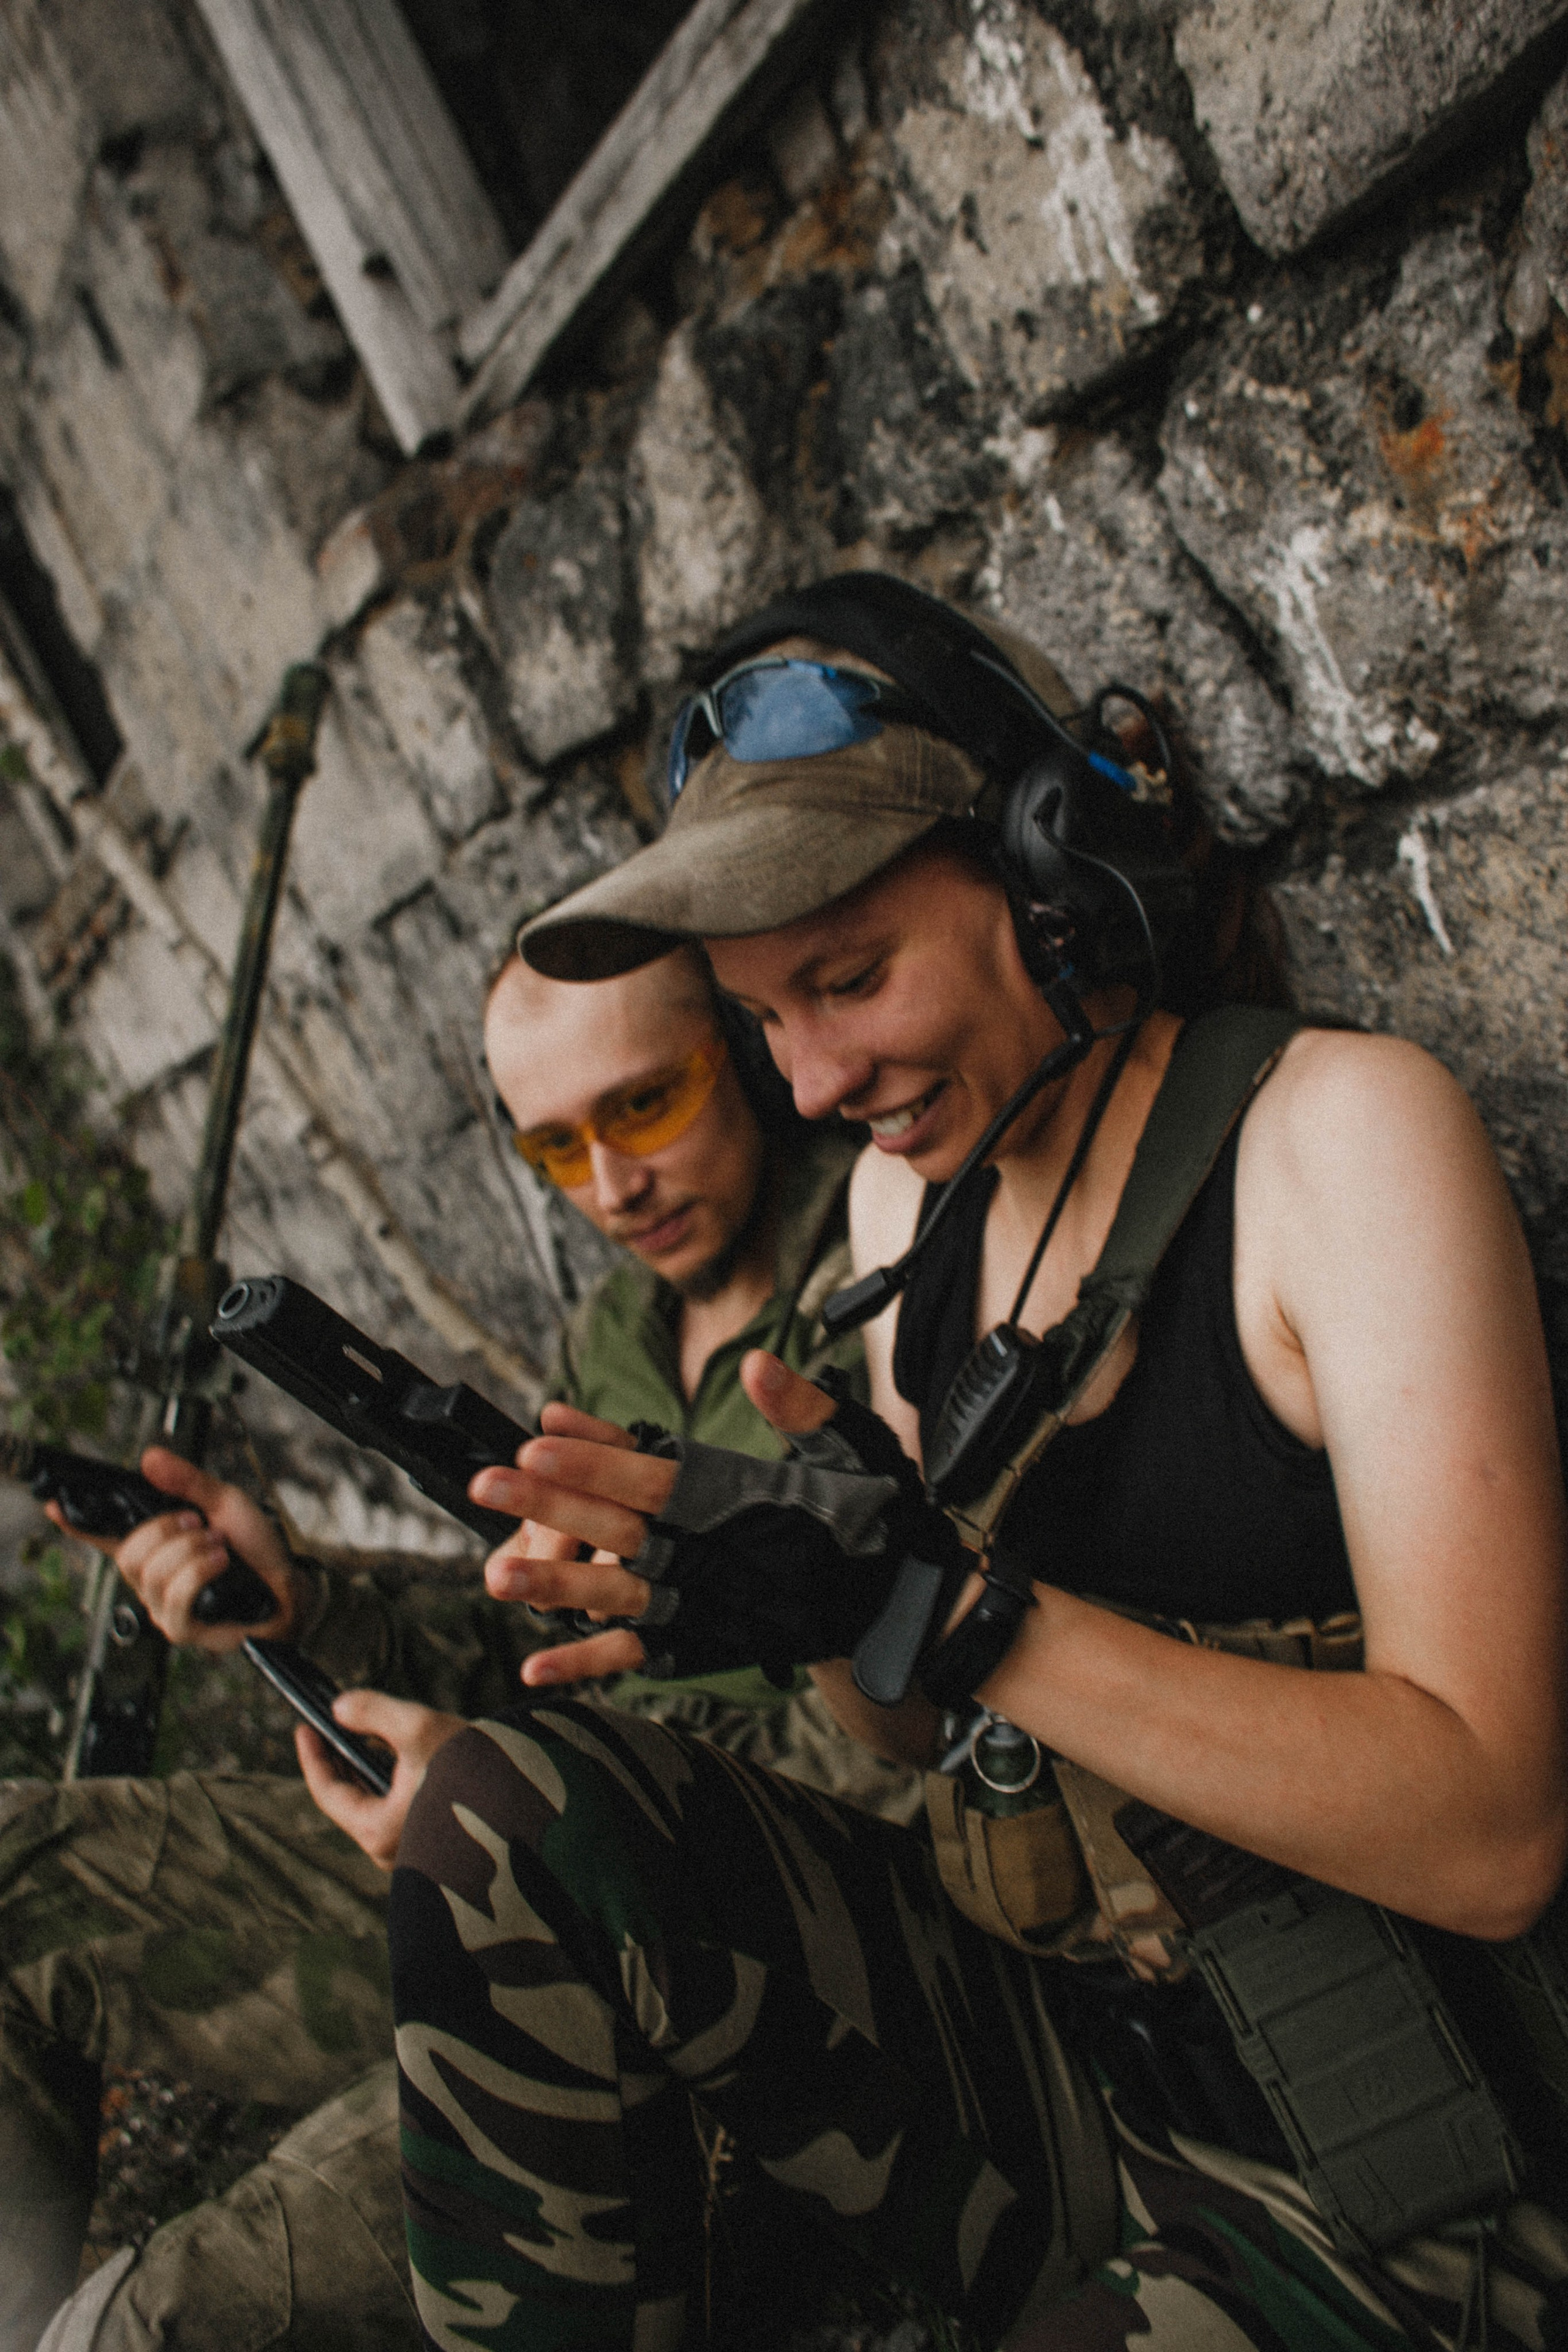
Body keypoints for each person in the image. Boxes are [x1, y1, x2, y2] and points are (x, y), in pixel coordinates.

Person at [375, 574, 1568, 2352]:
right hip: (1060, 2038)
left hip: (1391, 2133)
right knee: (508, 1819)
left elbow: (1495, 1832)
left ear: (1051, 883)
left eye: (852, 980)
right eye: (768, 1015)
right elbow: (920, 1729)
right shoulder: (899, 1213)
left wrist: (950, 1614)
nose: (814, 1078)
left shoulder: (1335, 1147)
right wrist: (812, 1602)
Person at [2, 944, 906, 2352]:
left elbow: (903, 1749)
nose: (612, 1186)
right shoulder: (618, 1337)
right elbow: (537, 1632)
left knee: (139, 2333)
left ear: (742, 1049)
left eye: (645, 1106)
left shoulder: (879, 1288)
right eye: (555, 1144)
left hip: (758, 1973)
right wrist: (306, 1601)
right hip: (534, 1862)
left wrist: (525, 1798)